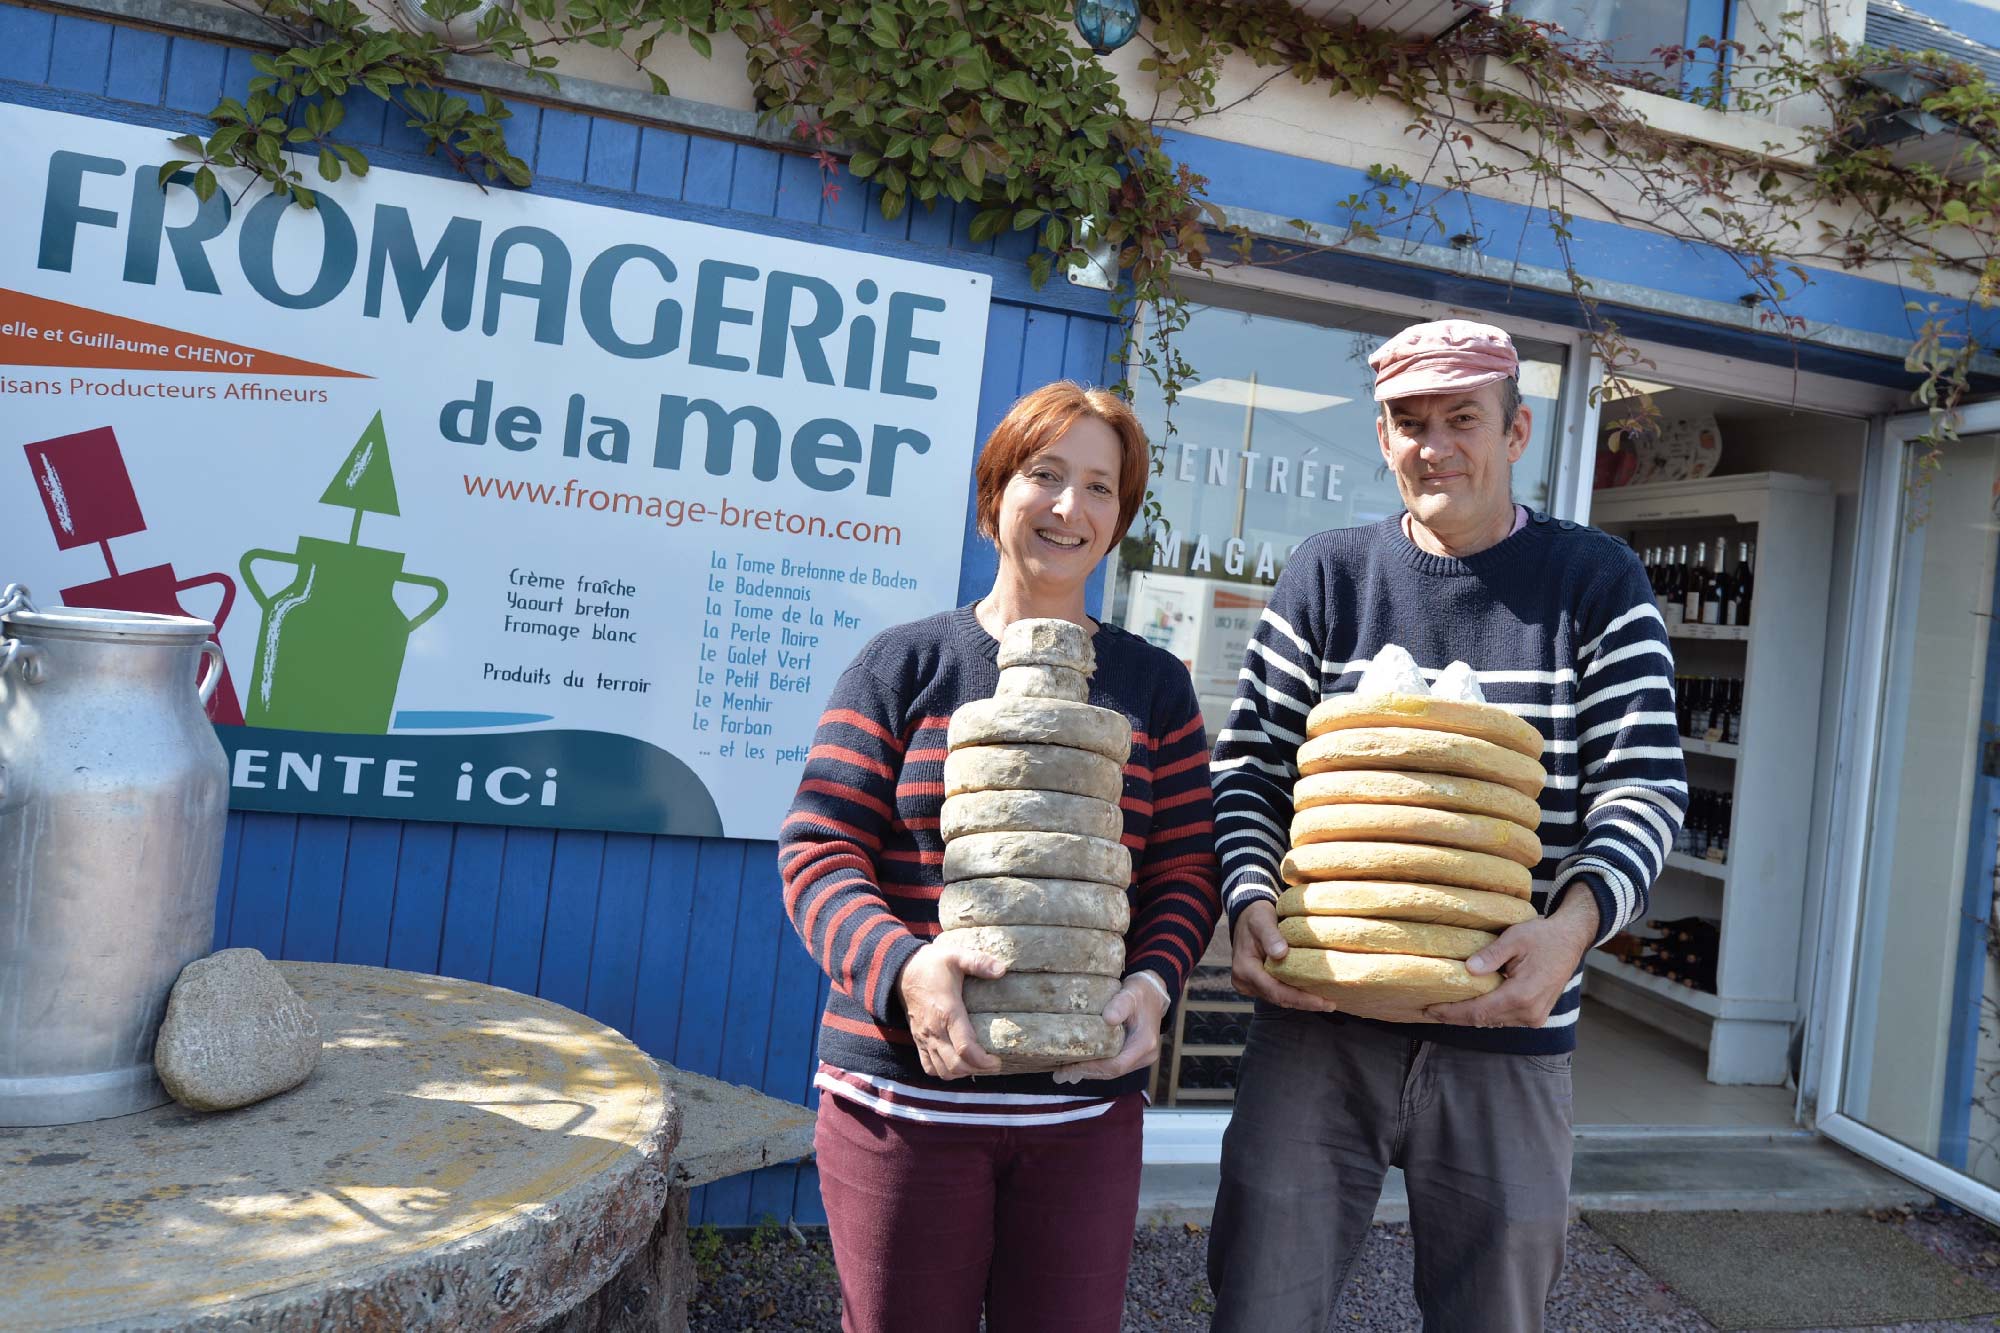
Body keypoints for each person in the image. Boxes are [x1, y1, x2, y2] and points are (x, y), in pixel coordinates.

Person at [1205, 319, 1688, 1331]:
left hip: (1506, 1026)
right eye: (1407, 422)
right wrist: (1249, 894)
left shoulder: (1592, 581)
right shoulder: (1328, 575)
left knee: (1491, 1312)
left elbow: (1640, 788)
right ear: (1379, 437)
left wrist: (1567, 933)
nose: (1434, 446)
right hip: (1318, 1018)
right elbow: (1247, 766)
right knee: (1260, 1303)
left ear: (1514, 432)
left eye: (1460, 419)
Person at [778, 380, 1222, 1333]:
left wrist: (1149, 986)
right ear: (994, 496)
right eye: (1045, 474)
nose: (1071, 507)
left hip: (1078, 1117)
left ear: (1119, 519)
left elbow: (1187, 869)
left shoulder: (1154, 685)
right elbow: (819, 849)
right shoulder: (906, 665)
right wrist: (905, 970)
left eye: (1101, 487)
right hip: (904, 1102)